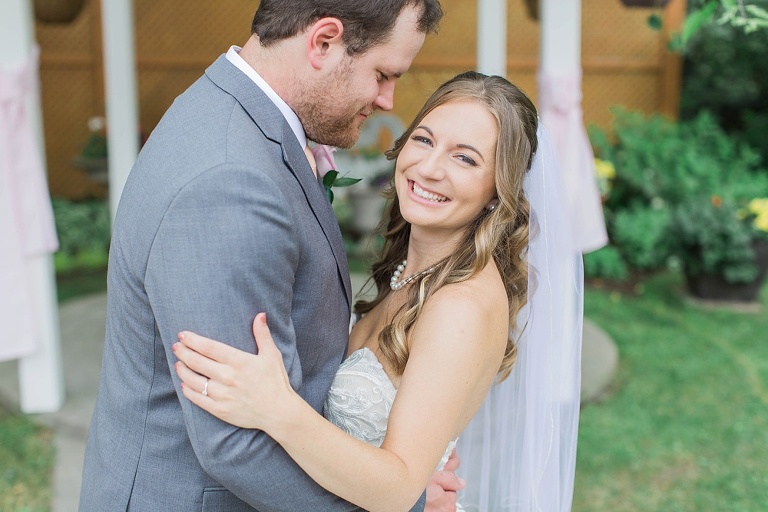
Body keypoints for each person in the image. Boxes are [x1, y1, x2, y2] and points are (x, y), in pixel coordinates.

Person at [78, 2, 452, 511]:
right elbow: (237, 444)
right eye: (383, 74)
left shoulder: (227, 109)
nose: (388, 100)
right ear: (323, 42)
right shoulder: (232, 181)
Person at [173, 71, 583, 511]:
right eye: (424, 140)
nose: (428, 168)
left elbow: (399, 488)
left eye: (465, 159)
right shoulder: (413, 271)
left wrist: (276, 408)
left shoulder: (459, 306)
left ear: (496, 190)